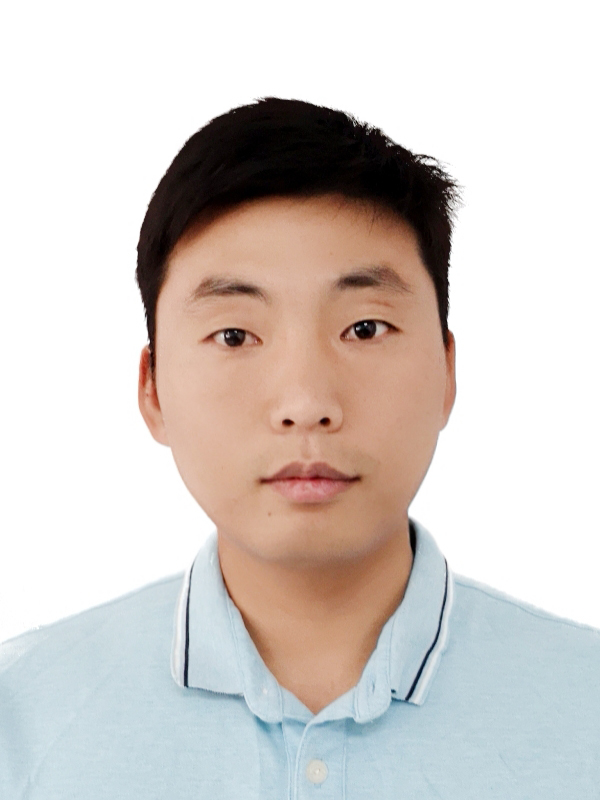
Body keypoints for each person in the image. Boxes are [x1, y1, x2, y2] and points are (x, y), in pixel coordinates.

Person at [1, 97, 598, 799]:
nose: (306, 402)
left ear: (447, 372)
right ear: (153, 388)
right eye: (234, 335)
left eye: (365, 328)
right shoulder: (23, 718)